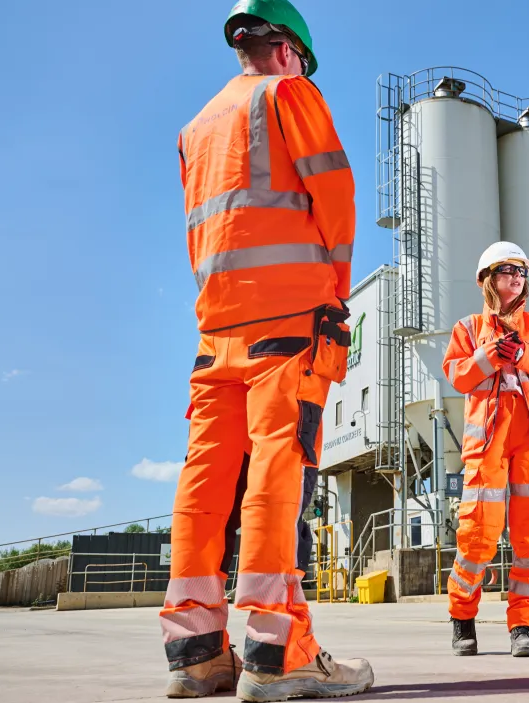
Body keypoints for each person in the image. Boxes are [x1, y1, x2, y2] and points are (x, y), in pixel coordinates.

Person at [159, 1, 374, 699]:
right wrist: (332, 294)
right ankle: (280, 656)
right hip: (290, 321)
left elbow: (201, 236)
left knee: (205, 484)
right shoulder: (289, 94)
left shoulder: (196, 127)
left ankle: (195, 653)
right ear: (289, 51)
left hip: (216, 329)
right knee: (277, 477)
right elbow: (334, 197)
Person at [441, 242, 529, 657]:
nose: (515, 278)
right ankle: (462, 619)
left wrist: (526, 357)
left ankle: (524, 627)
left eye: (520, 272)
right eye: (505, 271)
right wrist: (488, 357)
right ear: (487, 280)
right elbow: (458, 375)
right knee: (478, 534)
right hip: (488, 445)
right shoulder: (466, 329)